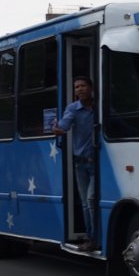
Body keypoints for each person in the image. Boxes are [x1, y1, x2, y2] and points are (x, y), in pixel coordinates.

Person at [54, 76, 97, 251]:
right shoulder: (72, 109)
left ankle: (95, 237)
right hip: (81, 164)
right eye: (76, 87)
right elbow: (64, 125)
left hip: (99, 164)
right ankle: (90, 238)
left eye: (83, 86)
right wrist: (59, 129)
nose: (79, 89)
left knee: (91, 199)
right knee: (87, 202)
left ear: (91, 88)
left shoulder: (100, 107)